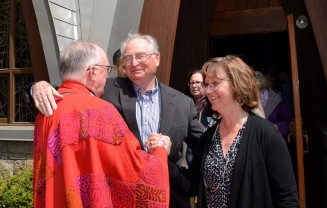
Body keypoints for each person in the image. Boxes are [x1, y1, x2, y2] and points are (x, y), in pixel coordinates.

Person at [32, 33, 205, 208]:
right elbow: (71, 91)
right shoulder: (103, 93)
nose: (134, 62)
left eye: (140, 56)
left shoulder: (183, 103)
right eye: (128, 58)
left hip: (172, 197)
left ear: (157, 58)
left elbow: (203, 145)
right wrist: (36, 87)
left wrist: (189, 182)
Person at [165, 55, 299, 208]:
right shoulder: (207, 138)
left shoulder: (266, 135)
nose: (208, 91)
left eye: (215, 83)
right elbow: (190, 184)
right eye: (207, 84)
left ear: (236, 84)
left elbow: (287, 198)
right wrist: (163, 159)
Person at [254, 70, 292, 138]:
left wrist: (276, 127)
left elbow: (287, 121)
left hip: (272, 139)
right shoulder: (244, 101)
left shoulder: (277, 100)